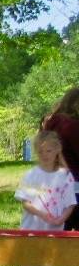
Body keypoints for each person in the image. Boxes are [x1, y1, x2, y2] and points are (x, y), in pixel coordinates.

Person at [15, 129, 76, 266]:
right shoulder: (31, 175)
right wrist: (41, 214)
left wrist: (61, 219)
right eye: (41, 152)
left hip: (52, 230)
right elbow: (25, 202)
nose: (45, 155)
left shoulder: (65, 176)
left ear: (58, 150)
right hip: (31, 228)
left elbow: (70, 203)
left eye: (49, 151)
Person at [41, 86, 79, 230]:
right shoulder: (72, 127)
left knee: (61, 235)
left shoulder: (52, 124)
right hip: (74, 186)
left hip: (53, 185)